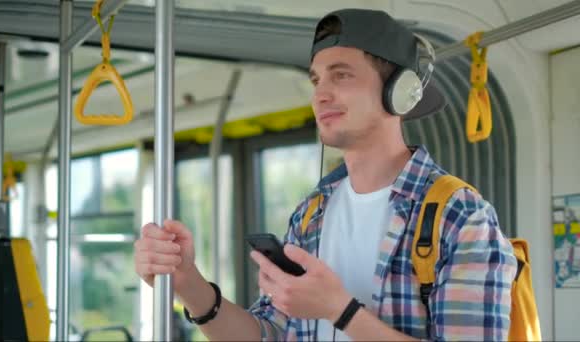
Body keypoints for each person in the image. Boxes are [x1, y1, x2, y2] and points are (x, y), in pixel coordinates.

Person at [134, 8, 517, 341]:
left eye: (342, 75)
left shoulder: (461, 216)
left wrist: (340, 310)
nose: (320, 94)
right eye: (317, 79)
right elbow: (269, 333)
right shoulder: (311, 213)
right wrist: (188, 283)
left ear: (401, 92)